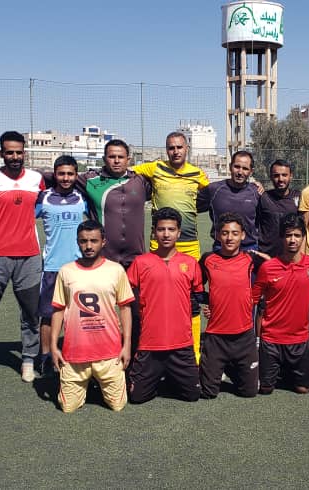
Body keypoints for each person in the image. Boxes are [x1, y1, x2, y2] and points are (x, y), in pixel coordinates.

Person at [0, 131, 45, 384]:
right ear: (2, 153)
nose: (15, 156)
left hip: (29, 256)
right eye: (10, 152)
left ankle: (28, 359)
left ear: (25, 153)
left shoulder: (37, 180)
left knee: (31, 312)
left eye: (19, 152)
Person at [132, 132, 209, 362]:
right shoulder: (154, 168)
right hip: (160, 245)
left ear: (187, 149)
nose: (175, 151)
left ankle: (193, 354)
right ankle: (153, 348)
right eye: (171, 148)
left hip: (189, 245)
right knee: (156, 299)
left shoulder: (198, 174)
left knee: (191, 301)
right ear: (166, 150)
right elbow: (126, 172)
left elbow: (216, 192)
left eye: (179, 147)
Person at [49, 220, 134, 412]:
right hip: (75, 354)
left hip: (109, 353)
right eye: (83, 241)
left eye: (94, 241)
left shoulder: (115, 270)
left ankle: (97, 381)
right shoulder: (66, 271)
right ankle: (86, 383)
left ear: (103, 242)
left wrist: (126, 345)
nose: (88, 246)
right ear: (77, 242)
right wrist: (54, 346)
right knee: (68, 408)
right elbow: (58, 309)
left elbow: (125, 308)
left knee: (117, 405)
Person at [126, 207, 204, 403]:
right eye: (161, 229)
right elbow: (126, 297)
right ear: (154, 232)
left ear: (179, 232)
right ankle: (157, 376)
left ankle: (171, 376)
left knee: (192, 395)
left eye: (171, 229)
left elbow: (198, 296)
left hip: (181, 343)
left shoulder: (190, 263)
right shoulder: (140, 262)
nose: (166, 234)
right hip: (150, 343)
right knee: (136, 397)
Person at [251, 213, 309, 395]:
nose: (292, 240)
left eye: (297, 235)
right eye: (288, 235)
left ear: (303, 238)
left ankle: (287, 369)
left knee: (303, 389)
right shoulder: (268, 267)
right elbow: (253, 299)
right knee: (265, 389)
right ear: (282, 238)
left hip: (300, 339)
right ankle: (278, 367)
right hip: (271, 339)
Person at [197, 212, 264, 398]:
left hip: (244, 336)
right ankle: (219, 365)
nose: (229, 238)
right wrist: (211, 300)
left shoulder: (251, 259)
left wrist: (257, 299)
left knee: (249, 392)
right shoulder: (208, 259)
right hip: (216, 337)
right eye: (225, 233)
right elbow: (195, 287)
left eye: (235, 233)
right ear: (218, 235)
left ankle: (230, 367)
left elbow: (274, 270)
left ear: (243, 235)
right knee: (208, 393)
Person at [35, 155, 88, 376]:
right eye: (61, 174)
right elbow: (25, 218)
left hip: (78, 267)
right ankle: (45, 357)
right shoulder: (44, 197)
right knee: (48, 315)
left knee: (78, 315)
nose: (66, 178)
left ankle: (74, 355)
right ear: (55, 174)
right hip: (52, 267)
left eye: (70, 174)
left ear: (76, 175)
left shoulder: (82, 197)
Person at [75, 139, 151, 269]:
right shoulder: (90, 180)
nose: (116, 161)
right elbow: (60, 177)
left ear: (128, 160)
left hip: (135, 258)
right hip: (103, 258)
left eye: (120, 157)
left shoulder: (140, 181)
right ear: (104, 159)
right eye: (112, 157)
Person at [196, 151, 261, 252]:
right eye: (237, 167)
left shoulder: (257, 192)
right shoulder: (213, 190)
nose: (240, 172)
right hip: (221, 247)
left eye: (245, 168)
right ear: (230, 167)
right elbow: (191, 207)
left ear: (251, 171)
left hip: (249, 248)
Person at [256, 159, 301, 259]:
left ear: (291, 176)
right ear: (271, 177)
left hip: (290, 257)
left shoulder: (299, 197)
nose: (280, 179)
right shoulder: (263, 197)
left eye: (284, 175)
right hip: (265, 256)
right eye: (276, 175)